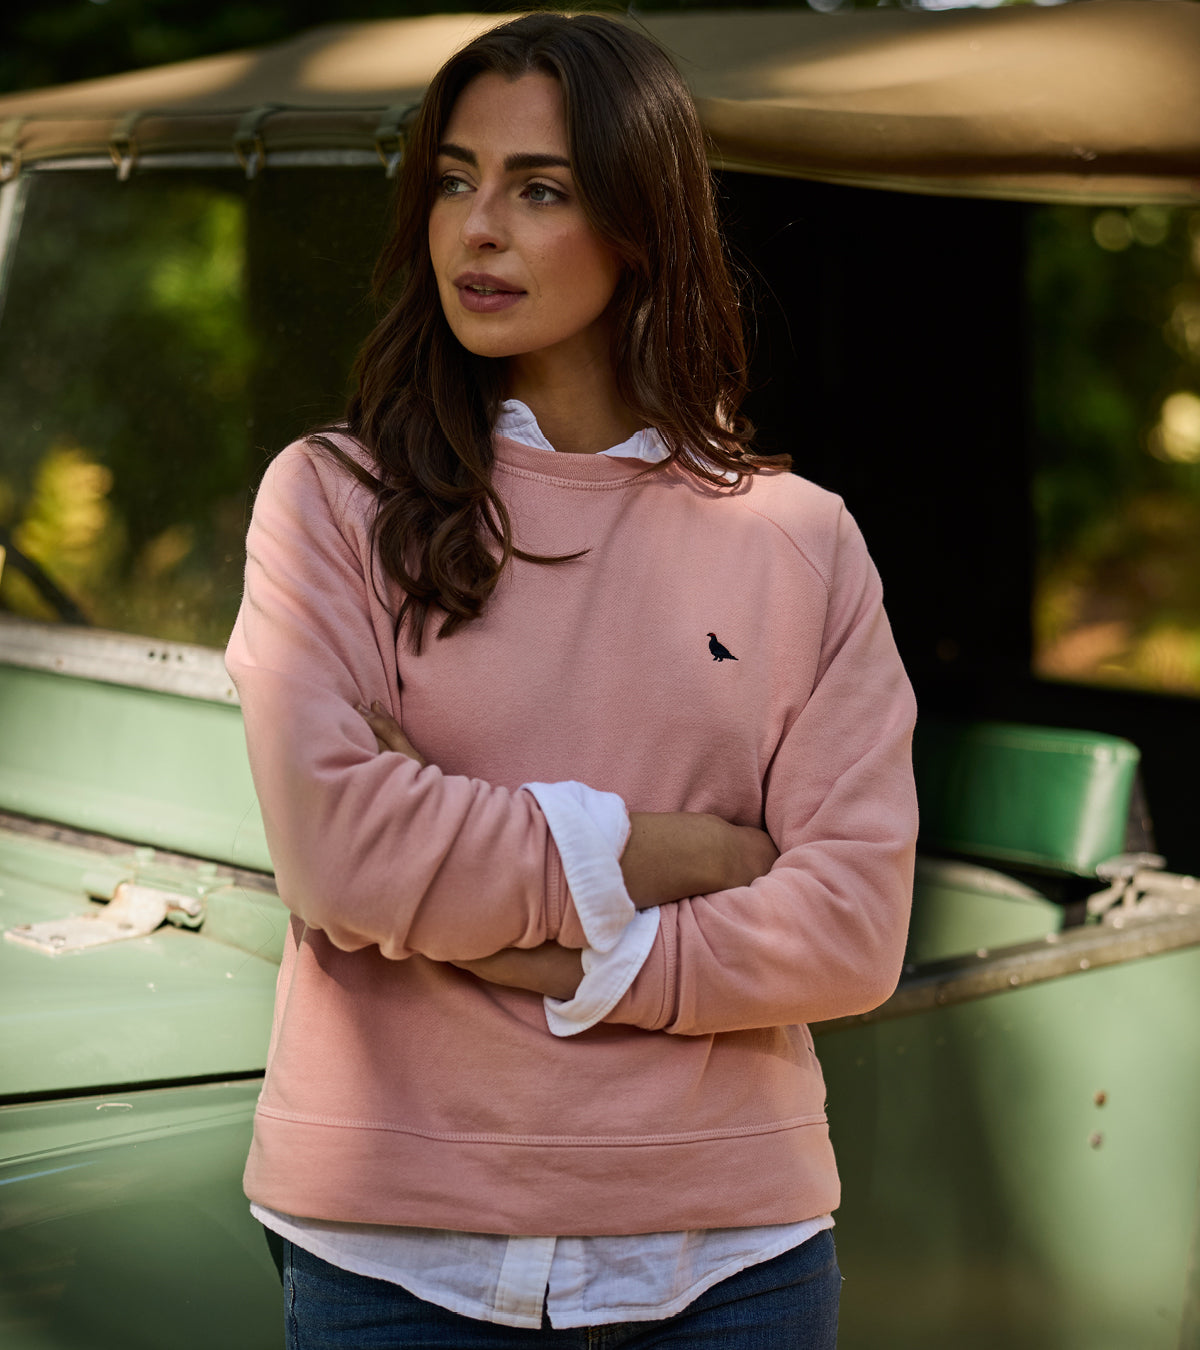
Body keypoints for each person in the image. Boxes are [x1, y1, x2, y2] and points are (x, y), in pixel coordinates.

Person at [225, 11, 918, 1347]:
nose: (475, 227)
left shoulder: (796, 538)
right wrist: (679, 850)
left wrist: (521, 936)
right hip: (393, 1246)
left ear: (640, 224)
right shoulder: (331, 501)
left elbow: (848, 923)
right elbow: (340, 846)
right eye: (454, 178)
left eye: (537, 188)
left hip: (730, 1257)